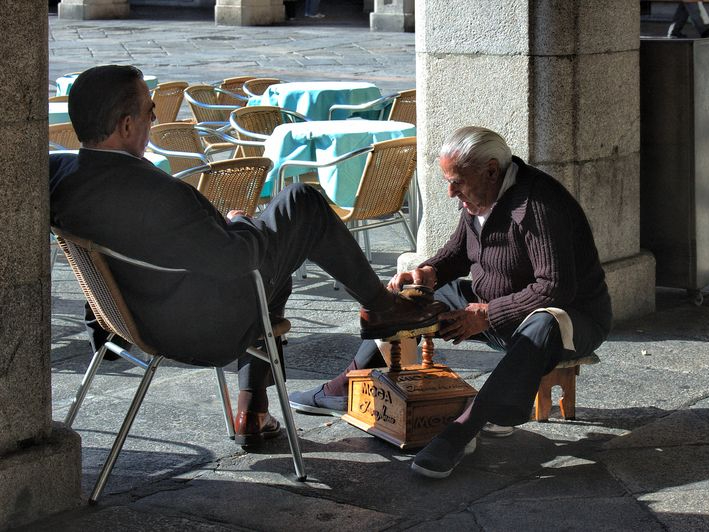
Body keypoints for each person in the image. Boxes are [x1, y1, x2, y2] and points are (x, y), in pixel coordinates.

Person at [49, 65, 446, 449]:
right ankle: (379, 307)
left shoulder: (58, 174)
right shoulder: (156, 193)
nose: (154, 119)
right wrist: (241, 224)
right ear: (126, 126)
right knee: (299, 203)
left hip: (133, 317)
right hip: (196, 329)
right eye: (150, 112)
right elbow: (237, 259)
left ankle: (253, 412)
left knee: (277, 262)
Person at [289, 126, 613, 478]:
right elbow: (458, 253)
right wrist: (428, 273)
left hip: (572, 319)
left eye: (457, 182)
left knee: (543, 322)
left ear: (491, 170)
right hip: (496, 304)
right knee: (407, 301)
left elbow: (554, 289)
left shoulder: (538, 205)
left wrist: (488, 314)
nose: (450, 192)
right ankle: (347, 384)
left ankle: (464, 429)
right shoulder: (480, 195)